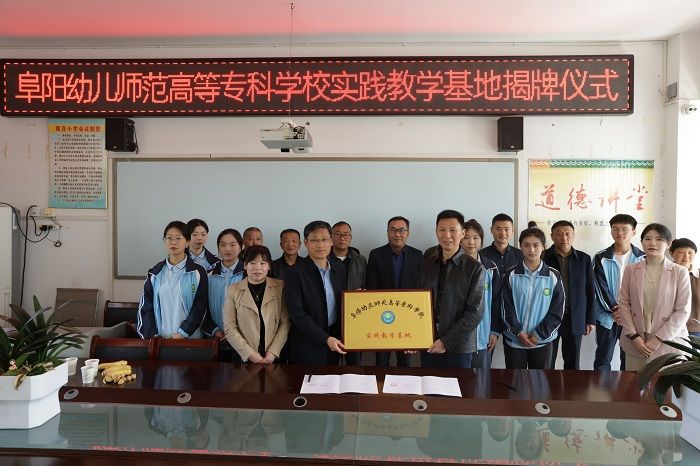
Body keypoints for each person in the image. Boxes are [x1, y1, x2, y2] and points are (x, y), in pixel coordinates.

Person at [615, 223, 691, 371]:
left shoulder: (679, 272)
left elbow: (683, 311)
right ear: (642, 241)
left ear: (668, 244)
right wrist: (634, 336)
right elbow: (623, 304)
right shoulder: (631, 269)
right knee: (634, 383)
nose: (653, 243)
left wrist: (658, 338)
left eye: (659, 239)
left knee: (664, 384)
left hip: (669, 341)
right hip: (636, 342)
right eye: (648, 239)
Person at [419, 209, 484, 369]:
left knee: (458, 385)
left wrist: (445, 341)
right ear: (436, 232)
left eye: (453, 230)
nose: (447, 235)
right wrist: (413, 337)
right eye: (442, 230)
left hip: (459, 348)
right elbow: (417, 303)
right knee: (428, 384)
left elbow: (475, 312)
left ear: (462, 233)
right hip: (428, 343)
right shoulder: (426, 265)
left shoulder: (474, 268)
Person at [284, 221, 347, 365]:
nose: (320, 245)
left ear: (331, 241)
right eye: (314, 240)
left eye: (324, 239)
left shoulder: (339, 268)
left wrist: (356, 299)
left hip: (334, 339)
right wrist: (325, 338)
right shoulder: (294, 273)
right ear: (306, 243)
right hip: (306, 342)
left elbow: (341, 302)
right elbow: (297, 315)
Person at [502, 227, 564, 369]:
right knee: (515, 380)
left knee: (541, 381)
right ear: (520, 246)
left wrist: (538, 335)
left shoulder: (553, 276)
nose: (531, 250)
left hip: (542, 341)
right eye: (526, 245)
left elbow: (557, 311)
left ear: (544, 246)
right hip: (515, 341)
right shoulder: (511, 275)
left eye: (536, 245)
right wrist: (519, 332)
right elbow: (506, 307)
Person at [365, 215, 423, 367]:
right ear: (387, 232)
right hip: (381, 316)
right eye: (393, 230)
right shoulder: (376, 254)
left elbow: (420, 288)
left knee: (405, 362)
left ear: (408, 233)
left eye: (401, 230)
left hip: (407, 316)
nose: (397, 234)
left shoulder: (417, 255)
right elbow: (371, 286)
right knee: (381, 361)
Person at [137, 220, 210, 339]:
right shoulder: (154, 273)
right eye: (169, 238)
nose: (173, 242)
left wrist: (183, 333)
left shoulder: (198, 272)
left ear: (187, 242)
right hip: (160, 340)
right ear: (164, 241)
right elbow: (146, 308)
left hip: (190, 339)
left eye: (178, 238)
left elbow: (200, 307)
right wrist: (152, 336)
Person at [592, 214, 645, 371]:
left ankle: (627, 388)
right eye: (615, 229)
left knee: (629, 358)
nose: (619, 233)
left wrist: (627, 311)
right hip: (606, 316)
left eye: (624, 229)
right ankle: (601, 387)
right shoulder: (601, 257)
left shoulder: (643, 258)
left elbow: (644, 289)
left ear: (633, 232)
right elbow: (599, 286)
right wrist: (615, 309)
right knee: (603, 358)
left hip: (633, 317)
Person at [223, 245, 290, 364]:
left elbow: (285, 323)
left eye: (263, 263)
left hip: (274, 357)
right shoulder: (233, 290)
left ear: (269, 266)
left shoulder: (279, 287)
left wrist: (272, 353)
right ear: (245, 265)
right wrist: (250, 354)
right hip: (244, 357)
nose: (257, 267)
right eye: (252, 263)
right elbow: (229, 327)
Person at [543, 220, 595, 370]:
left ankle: (571, 386)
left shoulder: (584, 259)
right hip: (548, 316)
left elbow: (590, 290)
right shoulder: (543, 257)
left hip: (575, 316)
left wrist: (590, 319)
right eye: (559, 234)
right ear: (552, 236)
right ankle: (547, 385)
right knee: (547, 360)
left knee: (573, 362)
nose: (564, 237)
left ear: (573, 236)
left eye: (567, 234)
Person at [461, 218, 502, 369]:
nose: (471, 242)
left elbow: (497, 302)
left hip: (483, 335)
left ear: (481, 240)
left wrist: (494, 332)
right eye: (466, 237)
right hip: (458, 337)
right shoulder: (453, 266)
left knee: (481, 377)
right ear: (460, 239)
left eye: (476, 238)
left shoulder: (490, 268)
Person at [330, 221, 367, 365]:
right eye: (338, 234)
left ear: (350, 237)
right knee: (331, 362)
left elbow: (367, 285)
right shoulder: (323, 258)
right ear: (331, 236)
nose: (342, 238)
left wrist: (362, 294)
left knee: (354, 363)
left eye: (346, 234)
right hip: (331, 317)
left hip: (355, 318)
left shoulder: (360, 259)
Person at [207, 228, 245, 361]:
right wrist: (215, 330)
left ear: (241, 246)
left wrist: (234, 333)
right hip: (214, 339)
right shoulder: (208, 275)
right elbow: (202, 307)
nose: (227, 249)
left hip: (243, 341)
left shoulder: (247, 274)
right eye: (223, 245)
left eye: (233, 244)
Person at [670, 237, 700, 336]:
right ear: (671, 253)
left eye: (690, 252)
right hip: (669, 328)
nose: (686, 256)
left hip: (695, 329)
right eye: (681, 252)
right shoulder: (665, 274)